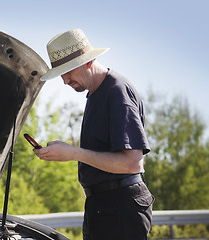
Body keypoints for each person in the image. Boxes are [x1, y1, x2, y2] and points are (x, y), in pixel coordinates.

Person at [34, 29, 154, 240]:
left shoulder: (117, 91)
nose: (64, 80)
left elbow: (132, 164)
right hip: (103, 206)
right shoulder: (95, 93)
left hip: (120, 208)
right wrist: (67, 151)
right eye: (61, 74)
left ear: (88, 62)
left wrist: (74, 153)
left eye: (68, 71)